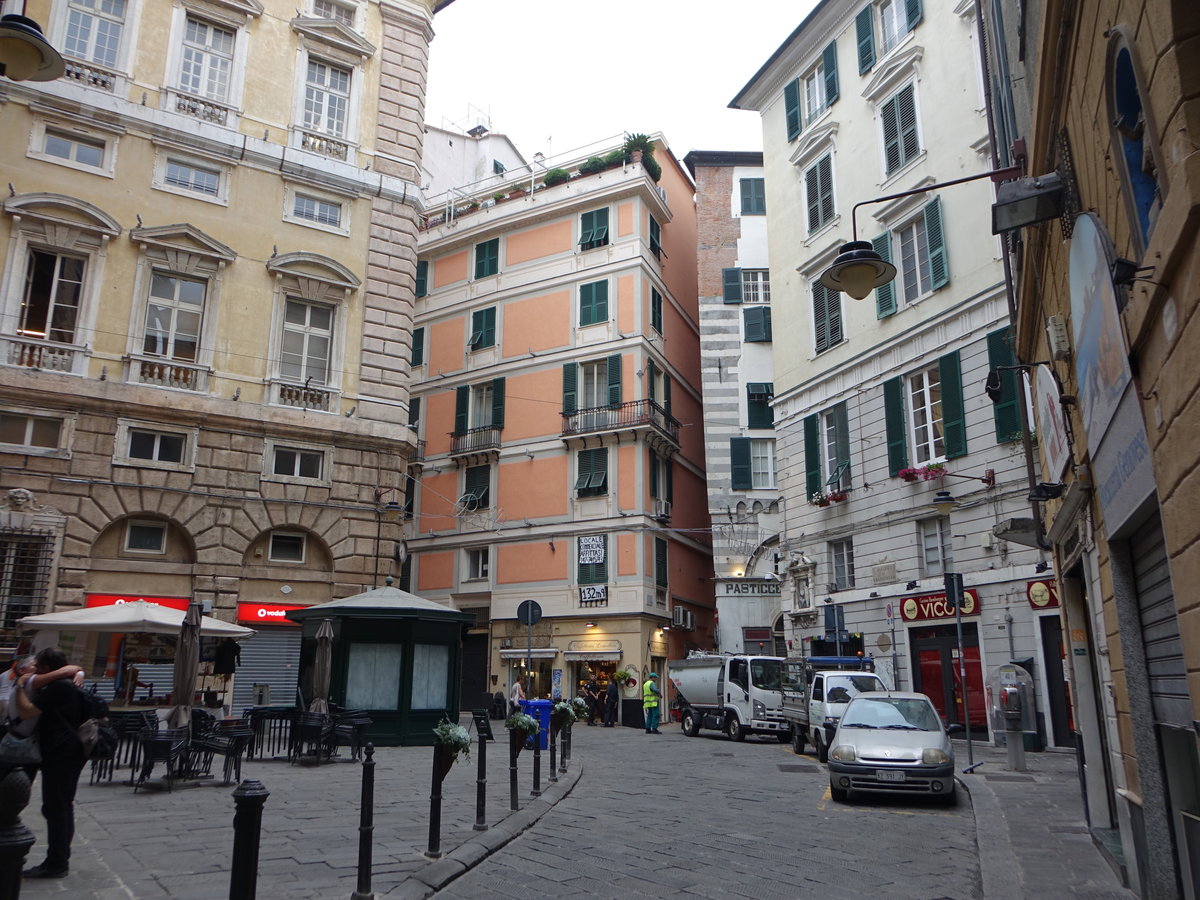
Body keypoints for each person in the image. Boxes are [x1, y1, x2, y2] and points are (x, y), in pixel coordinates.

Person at [15, 648, 89, 879]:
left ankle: (56, 863)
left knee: (56, 807)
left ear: (46, 669)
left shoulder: (57, 688)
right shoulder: (68, 682)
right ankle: (59, 858)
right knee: (62, 806)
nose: (34, 670)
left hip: (61, 753)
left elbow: (27, 712)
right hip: (71, 751)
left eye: (38, 666)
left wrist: (19, 687)